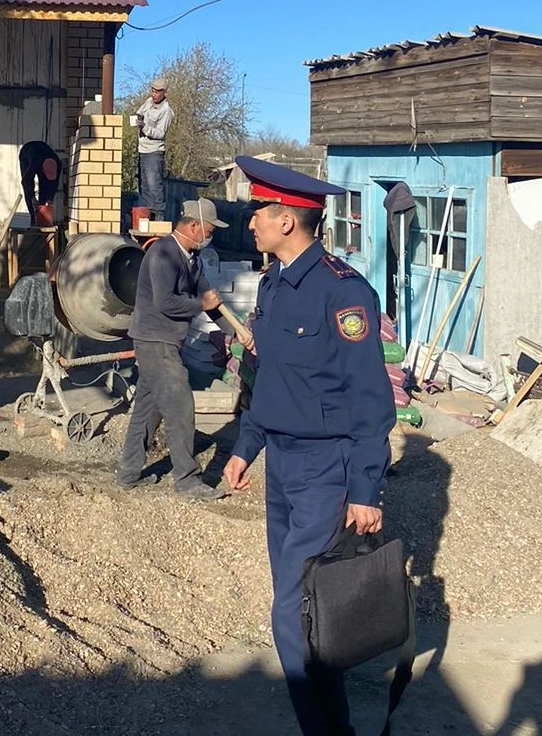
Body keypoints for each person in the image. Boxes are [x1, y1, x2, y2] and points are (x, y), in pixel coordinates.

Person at [222, 156, 396, 735]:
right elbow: (267, 377)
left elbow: (370, 399)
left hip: (326, 469)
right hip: (282, 465)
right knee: (304, 607)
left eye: (260, 212)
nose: (251, 222)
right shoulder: (272, 284)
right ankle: (331, 722)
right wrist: (246, 445)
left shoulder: (343, 293)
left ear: (288, 221)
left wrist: (365, 489)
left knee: (291, 614)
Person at [117, 198, 232, 501]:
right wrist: (200, 304)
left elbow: (210, 301)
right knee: (180, 405)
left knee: (148, 409)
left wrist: (237, 333)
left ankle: (128, 474)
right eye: (209, 230)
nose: (210, 236)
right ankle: (187, 481)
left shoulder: (193, 259)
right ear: (194, 226)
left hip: (166, 342)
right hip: (154, 341)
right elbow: (165, 302)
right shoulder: (163, 254)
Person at [133, 77, 175, 220]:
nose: (154, 94)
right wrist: (138, 118)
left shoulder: (166, 111)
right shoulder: (148, 102)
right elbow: (139, 113)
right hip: (142, 150)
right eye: (152, 90)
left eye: (157, 92)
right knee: (143, 186)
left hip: (154, 152)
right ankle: (147, 216)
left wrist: (144, 127)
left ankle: (158, 217)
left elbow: (160, 133)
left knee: (154, 185)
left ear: (164, 93)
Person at [18, 141, 63, 227]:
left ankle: (43, 218)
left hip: (43, 153)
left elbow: (54, 184)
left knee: (45, 187)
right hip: (27, 152)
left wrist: (49, 200)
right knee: (28, 185)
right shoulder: (35, 163)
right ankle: (33, 218)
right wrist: (33, 198)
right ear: (42, 168)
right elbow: (25, 181)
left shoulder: (58, 163)